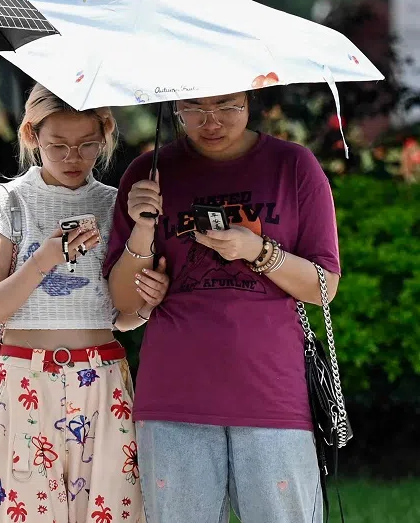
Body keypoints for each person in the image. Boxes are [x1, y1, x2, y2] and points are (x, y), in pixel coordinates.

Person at [104, 91, 341, 523]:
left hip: (272, 395)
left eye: (227, 106)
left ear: (251, 100)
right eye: (194, 108)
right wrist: (142, 229)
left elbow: (324, 286)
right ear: (174, 106)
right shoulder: (149, 173)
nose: (211, 121)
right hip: (174, 396)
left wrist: (259, 251)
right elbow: (120, 302)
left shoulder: (294, 166)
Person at [0, 83, 169, 523]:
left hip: (102, 378)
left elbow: (121, 316)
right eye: (57, 145)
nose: (72, 158)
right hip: (25, 380)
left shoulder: (116, 204)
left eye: (86, 145)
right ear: (31, 136)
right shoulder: (7, 203)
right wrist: (46, 258)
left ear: (106, 136)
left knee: (112, 511)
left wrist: (144, 306)